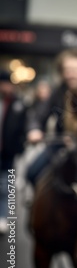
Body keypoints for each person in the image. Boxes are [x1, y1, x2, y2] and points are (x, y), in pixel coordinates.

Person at [25, 48, 77, 186]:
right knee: (32, 173)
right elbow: (39, 115)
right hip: (60, 147)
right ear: (62, 72)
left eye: (76, 70)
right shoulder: (57, 92)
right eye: (68, 70)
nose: (72, 74)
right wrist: (34, 130)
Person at [0, 70, 27, 233]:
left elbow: (22, 127)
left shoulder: (18, 104)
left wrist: (19, 147)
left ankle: (3, 216)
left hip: (8, 153)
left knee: (6, 185)